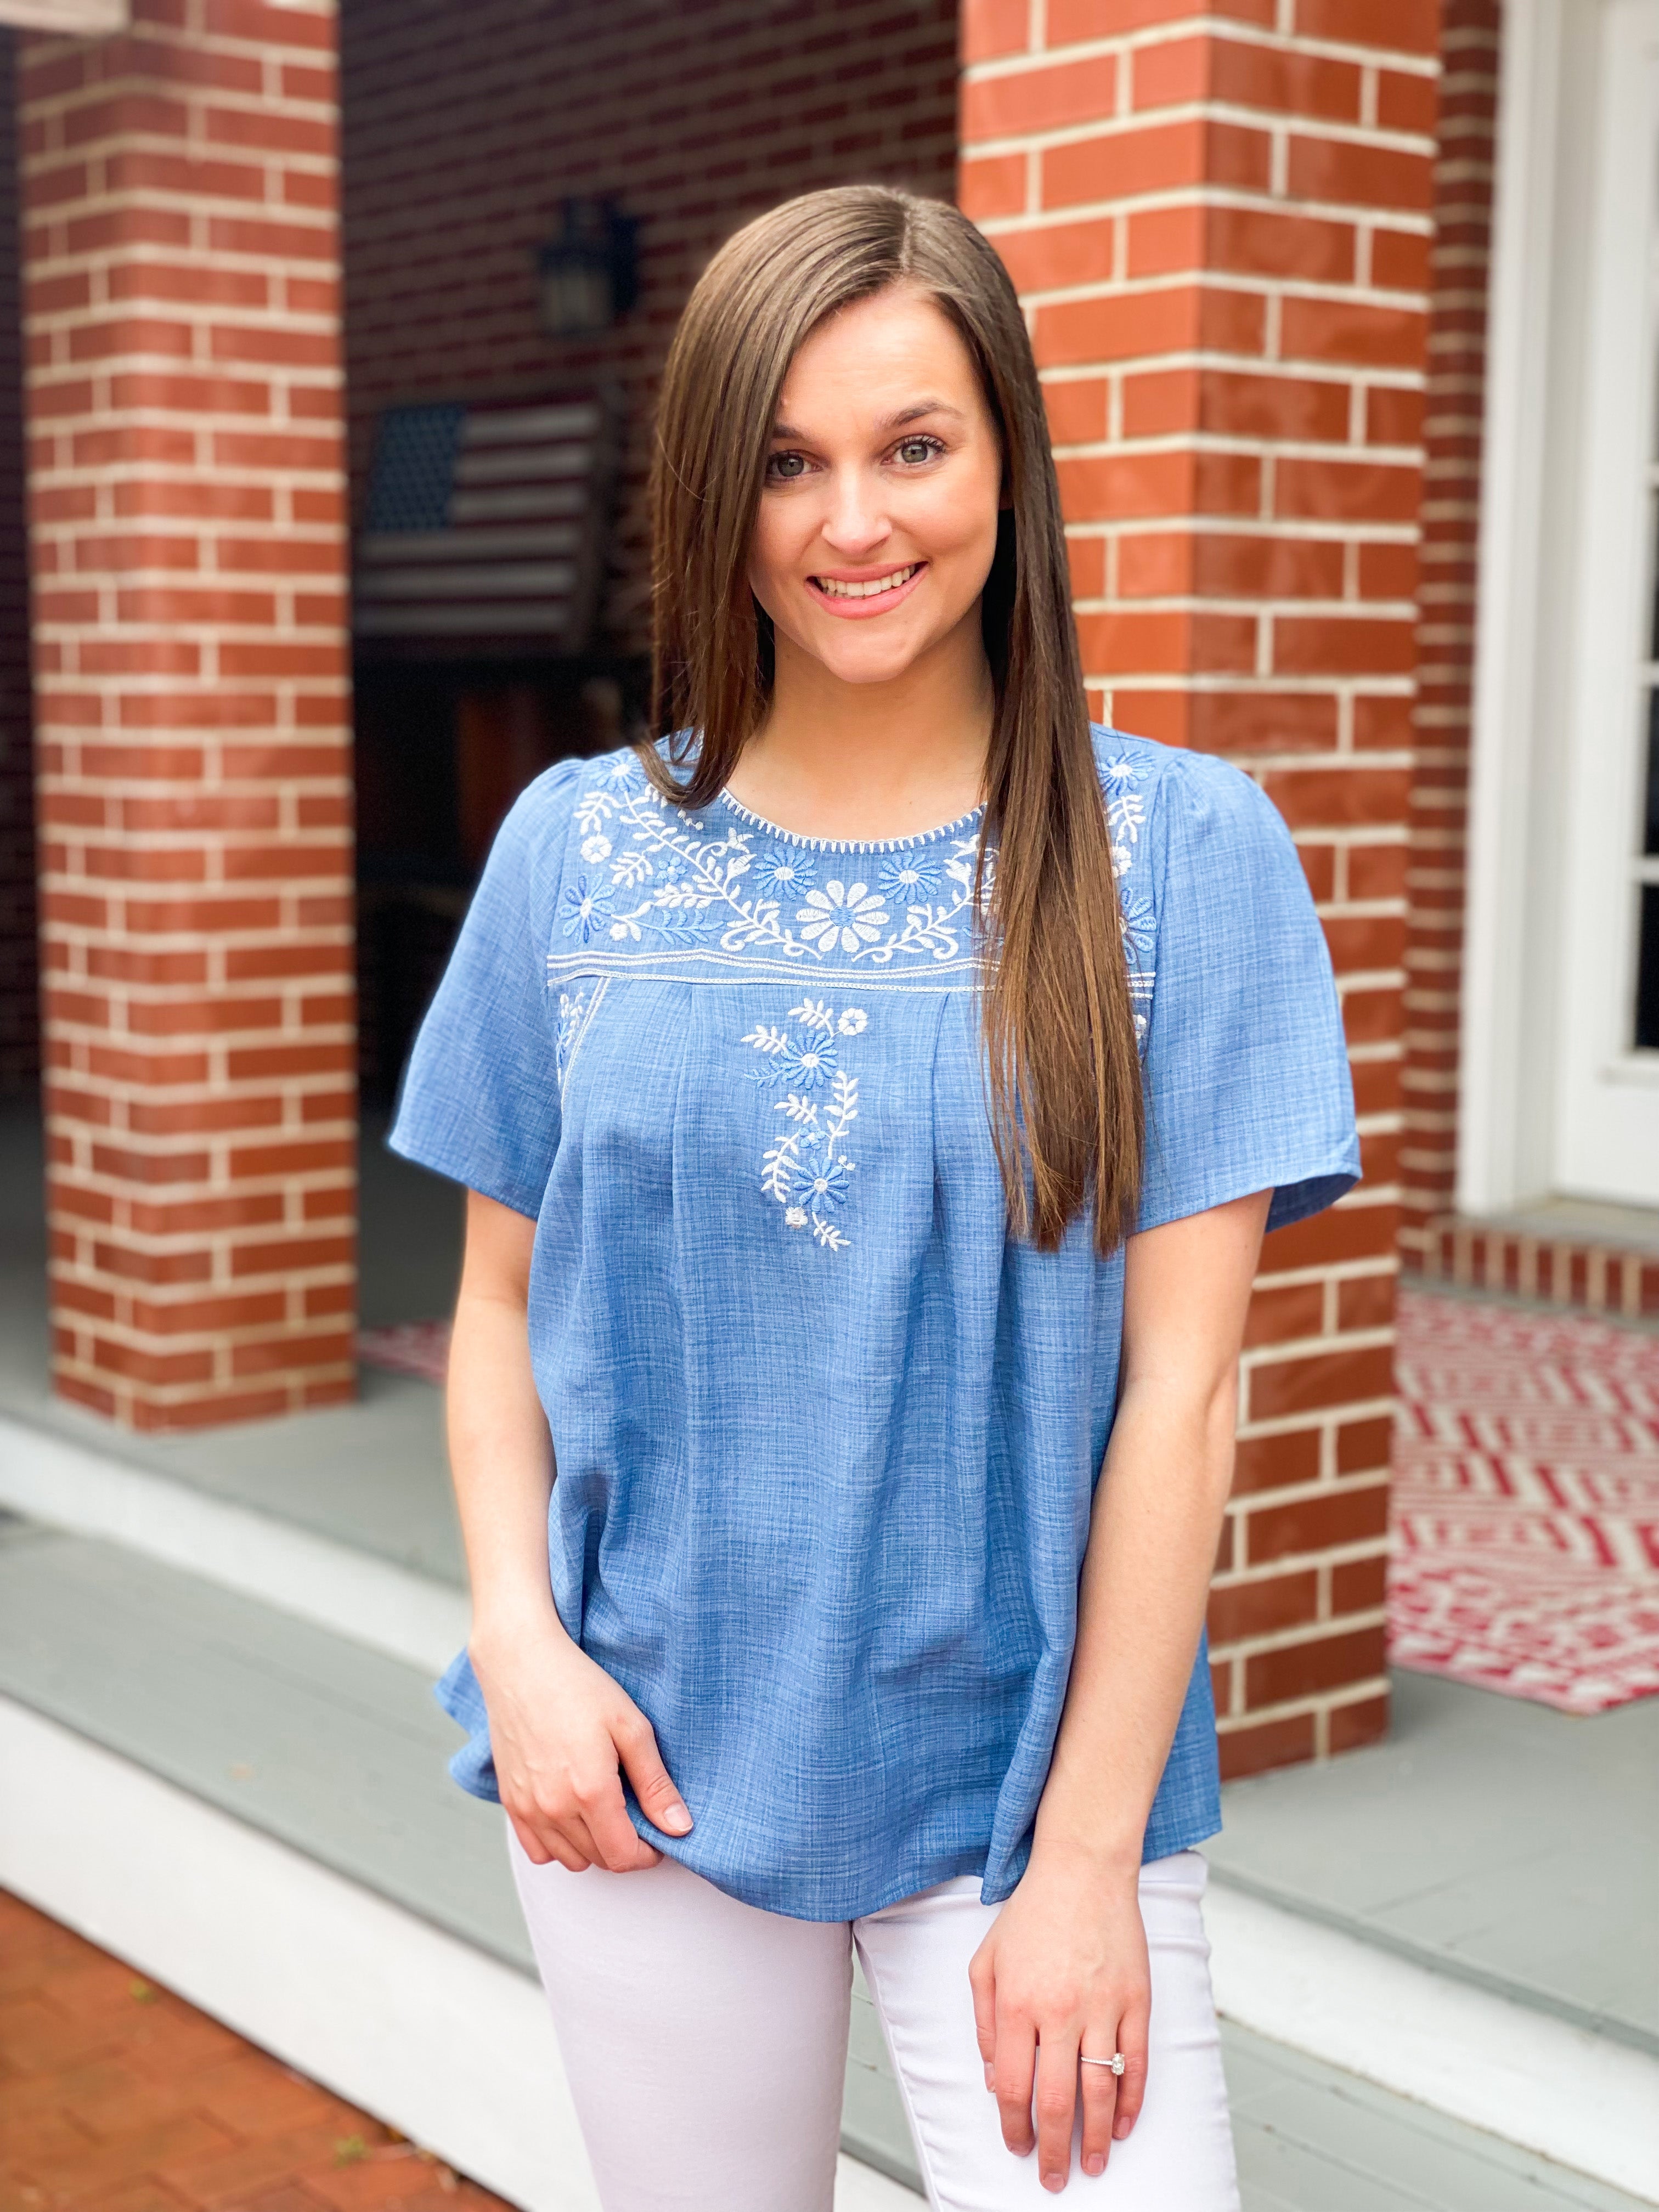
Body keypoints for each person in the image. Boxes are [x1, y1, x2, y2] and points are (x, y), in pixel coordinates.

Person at [390, 185, 1358, 2211]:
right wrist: (519, 1645)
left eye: (913, 447)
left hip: (1023, 1795)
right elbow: (496, 1310)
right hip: (639, 1760)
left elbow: (1183, 1399)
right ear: (712, 497)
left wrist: (1091, 1860)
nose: (855, 524)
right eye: (786, 462)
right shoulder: (577, 850)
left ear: (1005, 450)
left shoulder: (1184, 855)